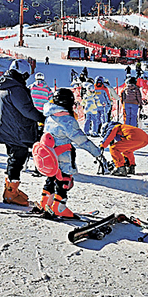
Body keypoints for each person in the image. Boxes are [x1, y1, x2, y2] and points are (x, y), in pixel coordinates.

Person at [39, 89, 107, 218]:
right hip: (63, 156)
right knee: (64, 180)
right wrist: (97, 154)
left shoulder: (50, 115)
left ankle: (45, 203)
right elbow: (82, 141)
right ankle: (59, 207)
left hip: (50, 155)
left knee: (51, 177)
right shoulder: (67, 120)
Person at [0, 59, 44, 206]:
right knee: (18, 158)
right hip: (16, 129)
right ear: (22, 74)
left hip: (7, 127)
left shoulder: (5, 85)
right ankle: (11, 193)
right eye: (26, 75)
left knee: (14, 157)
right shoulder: (16, 88)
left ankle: (11, 188)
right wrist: (42, 117)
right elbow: (26, 109)